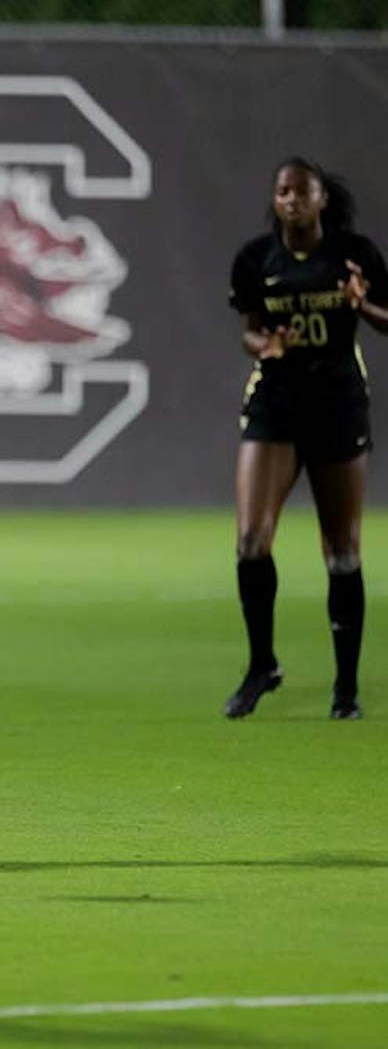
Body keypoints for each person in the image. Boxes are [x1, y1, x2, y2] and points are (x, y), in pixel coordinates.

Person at [226, 157, 388, 721]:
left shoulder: (354, 256)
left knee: (342, 549)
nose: (291, 199)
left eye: (302, 191)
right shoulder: (255, 260)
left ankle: (346, 687)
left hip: (338, 405)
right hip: (276, 403)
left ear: (322, 200)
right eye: (282, 191)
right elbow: (250, 329)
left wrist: (362, 303)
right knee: (250, 539)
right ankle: (262, 665)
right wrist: (262, 346)